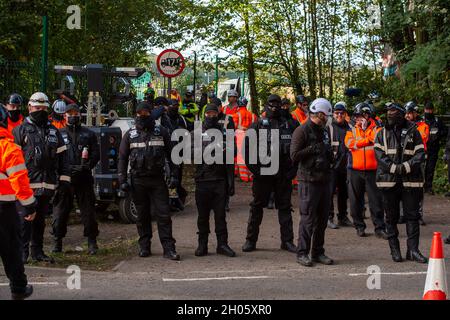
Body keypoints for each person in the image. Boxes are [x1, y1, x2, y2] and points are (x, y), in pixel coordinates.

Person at [13, 92, 71, 263]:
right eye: (37, 108)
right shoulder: (20, 130)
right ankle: (22, 253)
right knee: (24, 221)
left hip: (47, 185)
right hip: (26, 186)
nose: (40, 111)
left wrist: (64, 181)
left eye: (44, 108)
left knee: (39, 222)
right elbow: (12, 160)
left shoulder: (54, 132)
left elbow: (63, 158)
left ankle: (37, 252)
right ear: (30, 108)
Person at [118, 101, 180, 260]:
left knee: (164, 215)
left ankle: (169, 248)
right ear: (136, 115)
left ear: (151, 113)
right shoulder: (130, 134)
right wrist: (122, 180)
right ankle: (144, 247)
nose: (143, 116)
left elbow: (173, 155)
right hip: (138, 180)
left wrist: (174, 176)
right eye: (140, 113)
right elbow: (122, 158)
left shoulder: (162, 131)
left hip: (158, 180)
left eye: (146, 113)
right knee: (142, 215)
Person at [242, 94, 298, 254]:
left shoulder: (290, 124)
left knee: (285, 208)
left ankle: (287, 241)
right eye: (271, 104)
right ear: (266, 105)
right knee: (257, 206)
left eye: (277, 104)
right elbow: (247, 151)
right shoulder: (258, 125)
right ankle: (250, 240)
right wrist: (256, 171)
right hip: (263, 174)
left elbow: (298, 149)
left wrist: (292, 171)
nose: (274, 107)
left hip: (283, 174)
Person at [374, 102, 427, 263]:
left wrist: (403, 168)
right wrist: (393, 168)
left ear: (402, 113)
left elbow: (420, 155)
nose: (390, 114)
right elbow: (379, 155)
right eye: (388, 111)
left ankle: (413, 251)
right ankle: (395, 251)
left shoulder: (414, 132)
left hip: (410, 181)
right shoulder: (381, 133)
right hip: (388, 183)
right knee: (391, 218)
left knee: (412, 216)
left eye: (393, 111)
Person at [290, 98, 334, 267]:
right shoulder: (301, 130)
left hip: (324, 179)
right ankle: (302, 253)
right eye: (327, 115)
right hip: (308, 181)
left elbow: (326, 148)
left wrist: (330, 156)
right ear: (321, 114)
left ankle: (318, 252)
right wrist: (312, 149)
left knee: (322, 219)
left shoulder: (323, 130)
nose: (328, 118)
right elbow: (294, 156)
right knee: (308, 219)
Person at [51, 104, 100, 254]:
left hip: (84, 178)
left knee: (88, 212)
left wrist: (87, 166)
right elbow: (54, 156)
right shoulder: (58, 134)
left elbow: (96, 154)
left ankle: (92, 242)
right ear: (64, 115)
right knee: (60, 212)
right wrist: (62, 171)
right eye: (69, 113)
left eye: (75, 113)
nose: (73, 115)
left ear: (80, 115)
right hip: (65, 179)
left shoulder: (89, 134)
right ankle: (57, 243)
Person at [0, 104, 36, 300]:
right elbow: (19, 180)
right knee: (12, 250)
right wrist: (29, 205)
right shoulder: (9, 148)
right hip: (4, 209)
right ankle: (18, 289)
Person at [193, 104, 236, 257]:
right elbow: (189, 153)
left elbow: (232, 155)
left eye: (214, 113)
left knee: (220, 216)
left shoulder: (225, 132)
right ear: (205, 115)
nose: (211, 116)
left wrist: (231, 182)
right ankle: (202, 245)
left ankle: (222, 245)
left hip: (220, 180)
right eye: (208, 113)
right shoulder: (197, 132)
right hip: (203, 180)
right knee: (202, 216)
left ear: (218, 114)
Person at [344, 102, 387, 239]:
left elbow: (377, 140)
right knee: (355, 201)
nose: (357, 119)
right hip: (355, 170)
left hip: (373, 171)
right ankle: (359, 226)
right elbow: (349, 144)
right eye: (356, 116)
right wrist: (366, 140)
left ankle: (379, 228)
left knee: (376, 201)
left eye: (359, 116)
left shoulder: (378, 128)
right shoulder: (352, 129)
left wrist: (362, 140)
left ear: (367, 115)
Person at [403, 101, 429, 226]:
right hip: (405, 159)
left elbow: (422, 137)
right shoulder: (404, 125)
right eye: (406, 113)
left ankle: (418, 214)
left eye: (409, 113)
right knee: (403, 186)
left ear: (415, 113)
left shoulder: (423, 125)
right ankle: (404, 213)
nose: (407, 116)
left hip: (419, 161)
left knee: (418, 187)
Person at [327, 102, 353, 229]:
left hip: (346, 166)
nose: (339, 115)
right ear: (333, 114)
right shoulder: (329, 127)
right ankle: (328, 217)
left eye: (342, 113)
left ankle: (342, 217)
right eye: (337, 113)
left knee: (344, 193)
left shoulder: (350, 127)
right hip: (332, 167)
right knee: (329, 192)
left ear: (345, 114)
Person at [232, 97, 258, 182]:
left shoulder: (236, 115)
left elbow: (232, 127)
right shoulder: (253, 115)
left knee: (240, 156)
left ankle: (244, 177)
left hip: (240, 136)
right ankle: (251, 175)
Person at [423, 102, 447, 194]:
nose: (428, 111)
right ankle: (419, 186)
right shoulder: (421, 121)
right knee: (420, 167)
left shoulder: (437, 121)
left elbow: (445, 131)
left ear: (433, 110)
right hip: (422, 149)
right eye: (426, 110)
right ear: (424, 110)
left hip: (433, 149)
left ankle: (428, 187)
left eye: (430, 110)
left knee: (430, 168)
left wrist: (438, 135)